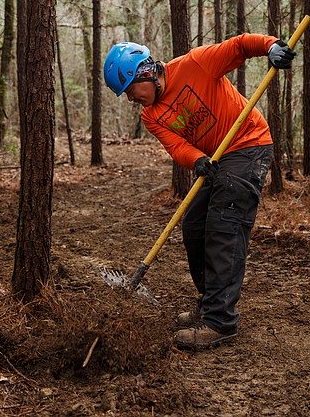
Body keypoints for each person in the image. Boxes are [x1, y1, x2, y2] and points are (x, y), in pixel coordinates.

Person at [103, 34, 295, 349]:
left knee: (224, 227)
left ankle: (221, 321)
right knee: (193, 226)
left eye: (129, 91)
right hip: (216, 159)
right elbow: (176, 146)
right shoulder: (150, 115)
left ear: (144, 73)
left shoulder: (195, 64)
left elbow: (239, 46)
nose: (129, 99)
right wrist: (198, 159)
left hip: (248, 145)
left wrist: (271, 47)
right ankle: (210, 303)